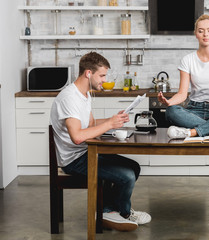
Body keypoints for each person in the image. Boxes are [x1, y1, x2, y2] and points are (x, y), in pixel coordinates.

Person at [50, 52, 151, 232]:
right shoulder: (69, 98)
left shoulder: (85, 95)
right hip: (74, 160)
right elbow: (78, 136)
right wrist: (109, 124)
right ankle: (118, 212)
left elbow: (89, 125)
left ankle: (112, 210)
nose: (104, 80)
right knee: (126, 176)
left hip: (87, 152)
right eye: (102, 76)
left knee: (134, 167)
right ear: (88, 73)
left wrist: (112, 120)